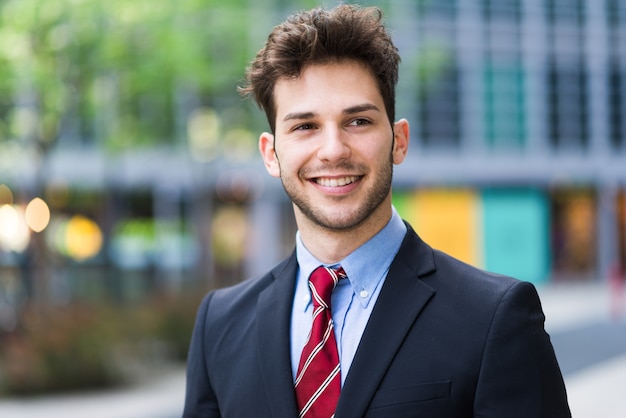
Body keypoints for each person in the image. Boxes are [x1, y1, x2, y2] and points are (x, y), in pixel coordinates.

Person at [183, 4, 571, 417]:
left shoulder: (495, 316)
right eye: (304, 126)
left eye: (358, 122)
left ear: (398, 141)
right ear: (271, 153)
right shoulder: (219, 324)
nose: (333, 150)